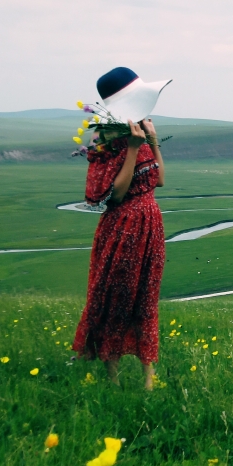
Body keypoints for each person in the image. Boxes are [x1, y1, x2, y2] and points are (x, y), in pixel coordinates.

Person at [72, 119, 165, 390]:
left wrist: (152, 139)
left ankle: (149, 377)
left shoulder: (137, 136)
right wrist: (133, 149)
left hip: (149, 228)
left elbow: (159, 179)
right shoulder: (105, 144)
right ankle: (113, 378)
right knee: (114, 298)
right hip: (123, 227)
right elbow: (117, 195)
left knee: (145, 299)